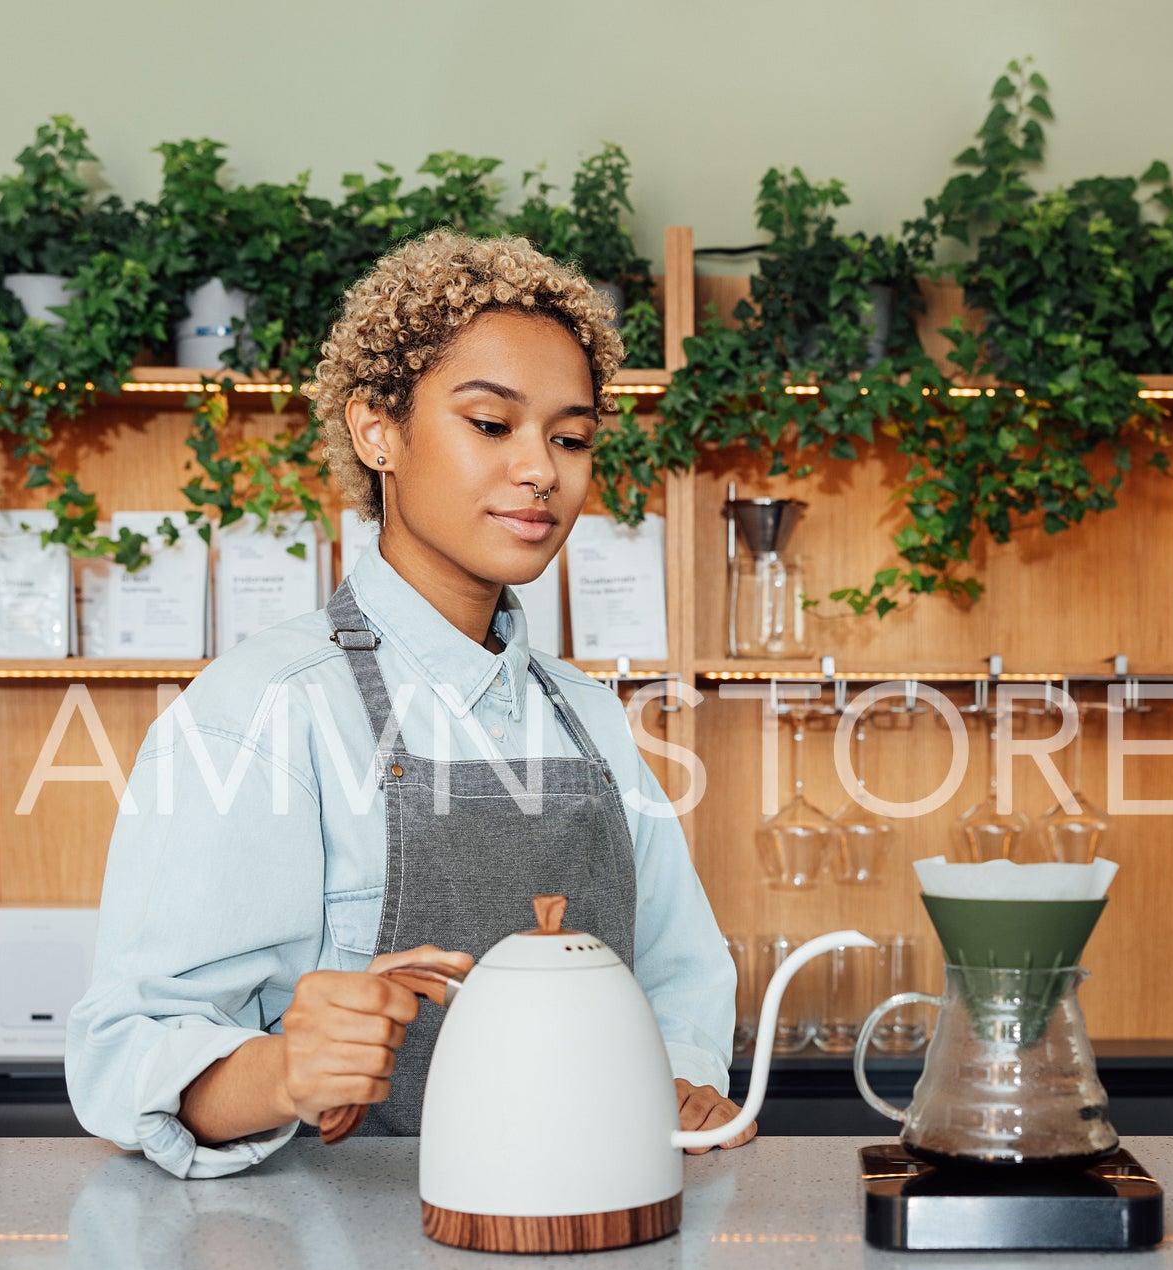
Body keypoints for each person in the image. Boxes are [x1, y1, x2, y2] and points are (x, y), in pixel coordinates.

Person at [66, 230, 753, 1178]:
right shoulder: (265, 711)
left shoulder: (592, 722)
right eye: (489, 424)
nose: (541, 471)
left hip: (594, 1246)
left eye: (571, 437)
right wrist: (282, 1071)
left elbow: (677, 980)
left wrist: (672, 1080)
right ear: (375, 431)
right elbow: (124, 1051)